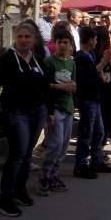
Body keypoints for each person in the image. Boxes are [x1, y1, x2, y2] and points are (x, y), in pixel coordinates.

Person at [0, 23, 49, 217]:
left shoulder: (38, 60)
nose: (24, 40)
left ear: (33, 39)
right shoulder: (6, 59)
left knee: (27, 154)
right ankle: (5, 198)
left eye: (27, 37)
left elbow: (45, 86)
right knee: (17, 154)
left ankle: (19, 190)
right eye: (20, 36)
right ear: (15, 38)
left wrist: (48, 111)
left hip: (37, 111)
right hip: (16, 112)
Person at [38, 28, 76, 196]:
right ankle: (44, 176)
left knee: (64, 145)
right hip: (55, 108)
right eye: (59, 42)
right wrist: (60, 87)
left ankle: (54, 175)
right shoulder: (49, 62)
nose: (62, 45)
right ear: (55, 43)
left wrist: (73, 87)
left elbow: (73, 83)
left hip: (68, 107)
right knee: (55, 144)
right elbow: (45, 86)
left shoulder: (71, 63)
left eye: (65, 42)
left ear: (70, 44)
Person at [73, 27, 111, 179]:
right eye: (95, 39)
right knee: (86, 133)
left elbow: (97, 73)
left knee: (99, 131)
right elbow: (88, 76)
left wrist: (102, 72)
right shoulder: (80, 57)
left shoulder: (91, 55)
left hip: (95, 98)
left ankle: (96, 160)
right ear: (90, 40)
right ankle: (81, 164)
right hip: (86, 99)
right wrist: (104, 62)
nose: (96, 42)